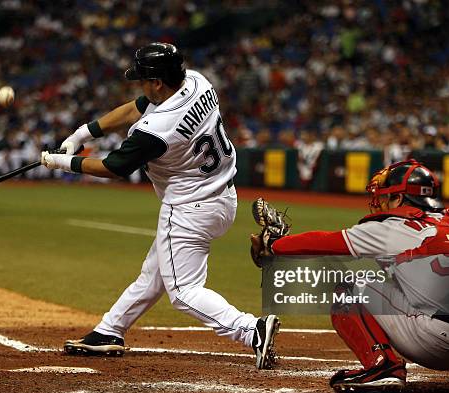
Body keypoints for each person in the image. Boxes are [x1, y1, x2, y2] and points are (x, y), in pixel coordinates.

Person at [41, 42, 280, 369]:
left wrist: (63, 162)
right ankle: (109, 331)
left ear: (157, 82)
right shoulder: (198, 82)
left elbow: (114, 167)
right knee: (154, 274)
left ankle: (251, 329)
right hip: (223, 197)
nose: (140, 84)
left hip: (188, 208)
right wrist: (83, 133)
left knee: (183, 292)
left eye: (143, 79)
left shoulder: (157, 130)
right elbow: (135, 108)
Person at [255, 159, 449, 393]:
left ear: (399, 199)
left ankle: (383, 366)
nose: (380, 201)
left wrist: (274, 244)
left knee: (350, 287)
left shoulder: (392, 226)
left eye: (387, 196)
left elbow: (327, 242)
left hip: (437, 343)